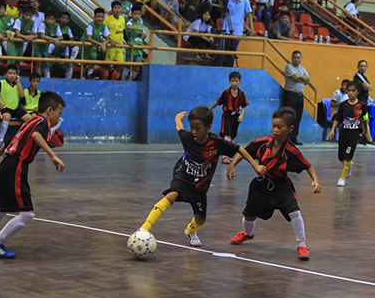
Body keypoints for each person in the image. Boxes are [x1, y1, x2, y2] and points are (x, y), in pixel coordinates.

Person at [137, 107, 264, 247]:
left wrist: (254, 165)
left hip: (200, 186)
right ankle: (144, 228)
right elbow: (179, 128)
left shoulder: (216, 142)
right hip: (183, 175)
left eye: (198, 128)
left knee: (200, 220)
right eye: (191, 127)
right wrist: (177, 119)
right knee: (171, 195)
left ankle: (190, 232)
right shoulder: (188, 138)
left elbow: (239, 149)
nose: (194, 131)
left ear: (208, 126)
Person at [0, 92, 65, 259]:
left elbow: (10, 140)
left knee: (2, 206)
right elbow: (36, 136)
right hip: (16, 166)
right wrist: (52, 155)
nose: (59, 119)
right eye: (59, 114)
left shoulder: (30, 121)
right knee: (27, 214)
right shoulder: (42, 124)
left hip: (6, 163)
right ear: (50, 110)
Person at [228, 107, 321, 260]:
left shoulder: (292, 151)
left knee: (295, 213)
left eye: (280, 127)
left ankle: (302, 245)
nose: (275, 130)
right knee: (249, 216)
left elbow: (308, 166)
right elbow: (245, 152)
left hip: (281, 187)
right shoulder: (263, 143)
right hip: (260, 187)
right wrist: (232, 165)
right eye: (273, 126)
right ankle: (248, 234)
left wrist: (315, 181)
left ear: (290, 128)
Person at [329, 81, 371, 187]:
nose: (351, 93)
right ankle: (348, 166)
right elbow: (337, 119)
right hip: (344, 132)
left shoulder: (361, 106)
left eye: (353, 91)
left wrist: (365, 130)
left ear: (358, 92)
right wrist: (332, 130)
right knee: (341, 157)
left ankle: (342, 178)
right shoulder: (343, 105)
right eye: (349, 91)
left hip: (354, 133)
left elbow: (365, 119)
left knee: (348, 155)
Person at [209, 70, 249, 163]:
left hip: (236, 116)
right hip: (227, 115)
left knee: (233, 136)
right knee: (227, 134)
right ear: (229, 81)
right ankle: (224, 157)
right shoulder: (226, 93)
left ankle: (229, 154)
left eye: (236, 81)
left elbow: (244, 106)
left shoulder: (241, 93)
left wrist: (242, 116)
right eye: (232, 81)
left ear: (239, 81)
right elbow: (218, 102)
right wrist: (210, 109)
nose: (234, 83)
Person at [213, 0, 254, 68]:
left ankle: (229, 68)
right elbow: (222, 8)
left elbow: (249, 15)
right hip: (226, 28)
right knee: (221, 49)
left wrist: (251, 28)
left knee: (232, 52)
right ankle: (216, 66)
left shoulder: (245, 1)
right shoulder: (229, 0)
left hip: (238, 30)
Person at [0, 65, 33, 147]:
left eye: (14, 73)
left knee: (29, 118)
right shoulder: (1, 83)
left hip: (16, 108)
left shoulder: (17, 85)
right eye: (10, 73)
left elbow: (22, 95)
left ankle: (22, 138)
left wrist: (18, 82)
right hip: (6, 108)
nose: (12, 75)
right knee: (6, 116)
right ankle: (0, 140)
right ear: (5, 74)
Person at [281, 51, 310, 145]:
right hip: (290, 95)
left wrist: (301, 77)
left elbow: (308, 79)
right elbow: (295, 78)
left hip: (300, 95)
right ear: (292, 58)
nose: (297, 59)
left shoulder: (302, 68)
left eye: (299, 58)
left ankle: (294, 138)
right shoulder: (289, 67)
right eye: (295, 57)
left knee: (298, 118)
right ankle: (286, 138)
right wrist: (303, 78)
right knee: (289, 117)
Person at [80, 7, 111, 78]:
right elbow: (89, 39)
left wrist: (104, 44)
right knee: (84, 63)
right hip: (86, 45)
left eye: (102, 17)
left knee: (94, 56)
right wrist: (101, 44)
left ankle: (90, 73)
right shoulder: (91, 25)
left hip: (94, 45)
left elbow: (108, 39)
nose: (100, 19)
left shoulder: (104, 26)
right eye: (98, 17)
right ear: (94, 17)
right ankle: (82, 78)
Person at [33, 10, 62, 78]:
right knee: (38, 62)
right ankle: (38, 78)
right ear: (45, 19)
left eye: (52, 19)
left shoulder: (56, 26)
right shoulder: (42, 24)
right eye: (48, 19)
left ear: (54, 20)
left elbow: (61, 37)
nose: (50, 21)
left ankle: (47, 78)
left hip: (45, 47)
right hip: (38, 46)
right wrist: (54, 39)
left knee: (46, 63)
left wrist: (57, 39)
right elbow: (43, 36)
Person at [104, 1, 127, 80]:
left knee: (120, 65)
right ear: (112, 9)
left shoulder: (123, 19)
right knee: (107, 64)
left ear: (121, 9)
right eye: (115, 8)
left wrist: (127, 41)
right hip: (111, 46)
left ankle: (113, 82)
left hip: (120, 46)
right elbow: (104, 33)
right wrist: (110, 41)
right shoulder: (107, 20)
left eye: (119, 8)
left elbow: (123, 31)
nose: (117, 10)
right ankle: (104, 81)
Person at [124, 3, 146, 81]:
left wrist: (143, 35)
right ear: (132, 14)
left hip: (139, 48)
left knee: (137, 68)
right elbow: (128, 27)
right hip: (131, 48)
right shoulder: (130, 22)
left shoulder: (141, 25)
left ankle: (130, 80)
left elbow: (143, 36)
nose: (137, 16)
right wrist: (138, 29)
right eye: (135, 14)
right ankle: (123, 80)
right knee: (128, 65)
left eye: (138, 14)